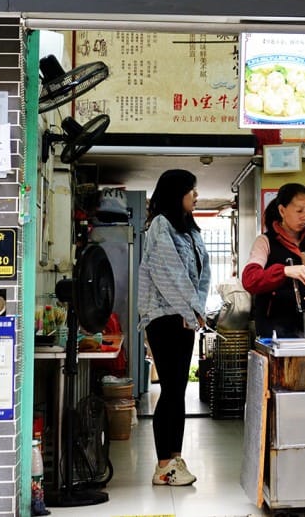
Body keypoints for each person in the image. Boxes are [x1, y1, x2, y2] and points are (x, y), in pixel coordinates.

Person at [137, 168, 210, 487]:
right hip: (164, 317)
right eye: (191, 190)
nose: (196, 195)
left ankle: (175, 458)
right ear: (175, 192)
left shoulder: (190, 230)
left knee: (178, 390)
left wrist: (197, 309)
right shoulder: (160, 226)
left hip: (184, 316)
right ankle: (163, 464)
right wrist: (189, 308)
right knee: (170, 389)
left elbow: (202, 271)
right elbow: (168, 272)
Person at [241, 183, 305, 339]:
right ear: (282, 210)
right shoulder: (265, 242)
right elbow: (250, 279)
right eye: (299, 210)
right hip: (272, 331)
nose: (304, 216)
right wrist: (284, 271)